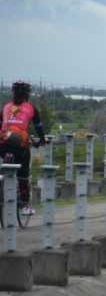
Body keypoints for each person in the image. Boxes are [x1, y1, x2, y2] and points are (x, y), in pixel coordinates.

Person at [0, 81, 47, 215]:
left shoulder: (6, 106)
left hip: (3, 142)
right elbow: (39, 127)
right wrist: (42, 140)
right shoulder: (31, 108)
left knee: (6, 161)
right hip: (20, 144)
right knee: (23, 174)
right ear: (28, 94)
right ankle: (25, 205)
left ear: (13, 93)